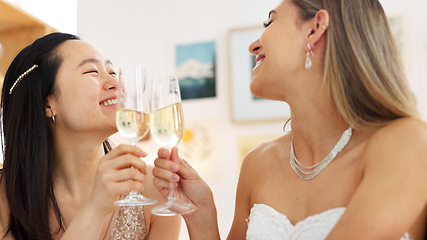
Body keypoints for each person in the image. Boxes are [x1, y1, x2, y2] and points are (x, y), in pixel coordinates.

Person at [152, 0, 427, 239]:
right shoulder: (258, 164)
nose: (253, 45)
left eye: (270, 22)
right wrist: (203, 218)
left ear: (315, 28)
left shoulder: (407, 141)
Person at [0, 32, 181, 239]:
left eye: (112, 72)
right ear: (47, 103)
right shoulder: (5, 198)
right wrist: (95, 209)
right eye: (92, 71)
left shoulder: (156, 190)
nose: (115, 84)